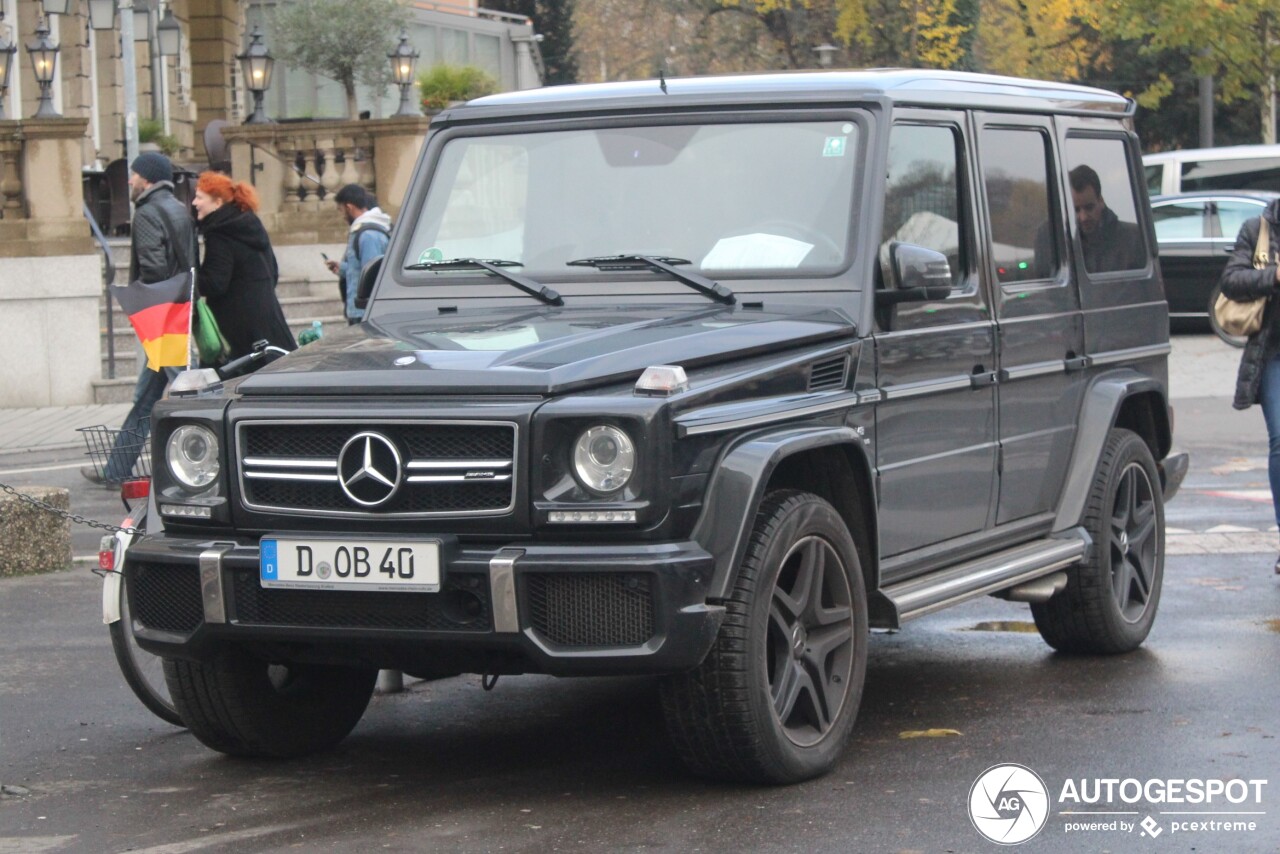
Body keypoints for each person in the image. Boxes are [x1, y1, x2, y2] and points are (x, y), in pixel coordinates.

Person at [82, 152, 195, 487]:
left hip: (162, 319)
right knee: (148, 397)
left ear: (147, 178)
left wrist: (141, 302)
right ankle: (116, 470)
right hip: (179, 313)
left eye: (133, 175)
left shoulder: (147, 213)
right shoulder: (178, 208)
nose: (129, 180)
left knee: (185, 395)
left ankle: (197, 463)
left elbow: (155, 269)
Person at [1220, 195, 1280, 573]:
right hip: (1272, 355)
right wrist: (1272, 276)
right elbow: (1231, 280)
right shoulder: (1258, 229)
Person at [191, 172, 297, 360]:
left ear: (217, 202)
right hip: (267, 317)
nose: (194, 203)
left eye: (200, 197)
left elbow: (215, 283)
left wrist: (190, 277)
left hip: (237, 328)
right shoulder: (250, 224)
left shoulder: (219, 232)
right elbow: (273, 270)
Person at [325, 184, 391, 324]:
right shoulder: (366, 231)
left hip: (364, 313)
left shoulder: (368, 235)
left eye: (341, 210)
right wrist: (342, 268)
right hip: (361, 311)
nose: (342, 216)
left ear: (349, 207)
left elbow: (370, 275)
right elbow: (362, 269)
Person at [1068, 164, 1146, 274]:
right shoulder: (1064, 247)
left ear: (1101, 201)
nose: (1083, 217)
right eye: (1076, 210)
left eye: (1089, 208)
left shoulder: (1134, 239)